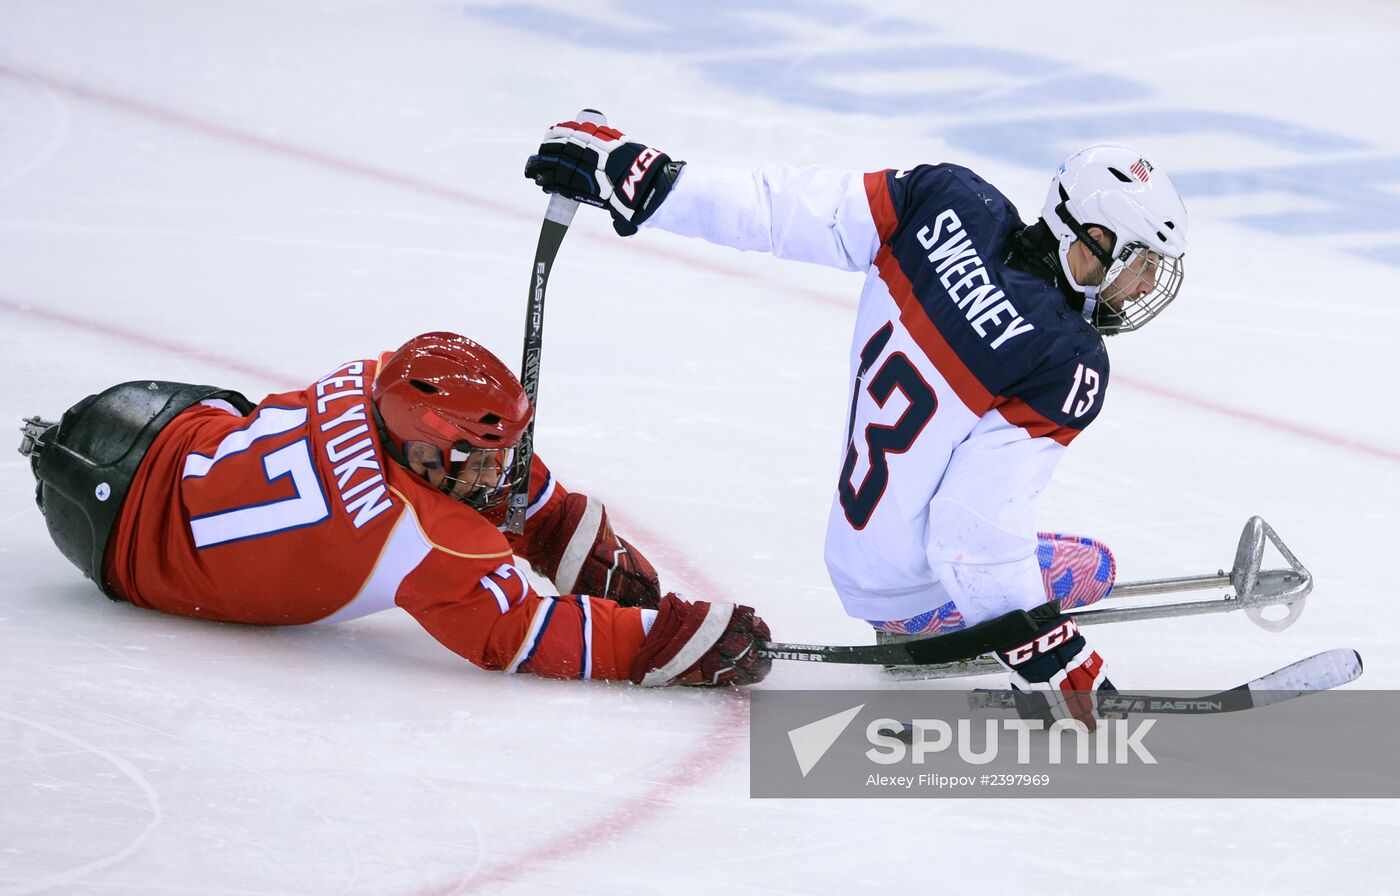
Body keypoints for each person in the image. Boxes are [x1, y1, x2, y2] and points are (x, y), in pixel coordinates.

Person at [524, 120, 1188, 727]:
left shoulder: (948, 200)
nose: (1141, 287)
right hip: (908, 587)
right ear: (1092, 242)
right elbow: (973, 530)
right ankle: (923, 621)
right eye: (1140, 264)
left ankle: (922, 602)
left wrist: (653, 184)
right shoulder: (1065, 357)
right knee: (1093, 566)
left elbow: (779, 208)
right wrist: (1044, 646)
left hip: (852, 551)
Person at [19, 331, 771, 688]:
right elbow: (516, 630)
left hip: (153, 436)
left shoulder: (374, 376)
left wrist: (556, 525)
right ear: (422, 450)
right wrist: (666, 641)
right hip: (121, 543)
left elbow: (471, 462)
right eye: (476, 458)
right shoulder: (423, 538)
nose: (494, 472)